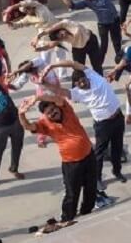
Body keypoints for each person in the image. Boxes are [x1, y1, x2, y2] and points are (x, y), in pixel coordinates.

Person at [43, 60, 126, 189]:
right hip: (103, 124)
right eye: (79, 83)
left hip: (118, 117)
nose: (83, 83)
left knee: (118, 147)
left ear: (86, 77)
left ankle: (117, 171)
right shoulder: (77, 93)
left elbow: (73, 63)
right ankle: (97, 178)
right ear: (75, 84)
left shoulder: (93, 75)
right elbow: (59, 91)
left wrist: (53, 65)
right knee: (99, 152)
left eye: (83, 80)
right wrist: (44, 84)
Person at [18, 95, 103, 222]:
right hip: (71, 163)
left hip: (89, 155)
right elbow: (28, 127)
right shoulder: (44, 124)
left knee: (91, 187)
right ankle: (67, 218)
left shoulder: (66, 109)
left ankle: (86, 211)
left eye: (53, 109)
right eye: (49, 113)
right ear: (45, 115)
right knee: (72, 193)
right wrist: (21, 114)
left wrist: (37, 98)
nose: (53, 113)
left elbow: (56, 97)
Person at [60, 0, 124, 64]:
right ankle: (99, 64)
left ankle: (121, 62)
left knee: (117, 42)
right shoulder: (86, 2)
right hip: (103, 24)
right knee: (103, 46)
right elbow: (72, 6)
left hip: (114, 20)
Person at [32, 18, 106, 75]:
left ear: (60, 29)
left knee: (97, 65)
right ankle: (77, 89)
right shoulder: (61, 38)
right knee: (78, 70)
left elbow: (49, 29)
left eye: (61, 34)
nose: (63, 36)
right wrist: (39, 49)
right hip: (78, 48)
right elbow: (51, 45)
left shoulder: (66, 23)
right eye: (60, 37)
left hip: (91, 41)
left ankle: (102, 83)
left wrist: (38, 36)